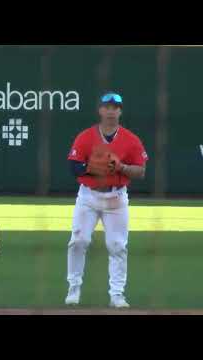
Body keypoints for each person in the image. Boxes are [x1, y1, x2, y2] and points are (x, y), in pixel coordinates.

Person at [65, 92, 148, 308]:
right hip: (88, 197)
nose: (111, 110)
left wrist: (121, 167)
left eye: (115, 107)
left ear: (120, 111)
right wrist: (96, 169)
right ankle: (74, 288)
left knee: (117, 245)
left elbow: (140, 171)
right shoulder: (85, 136)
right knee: (78, 241)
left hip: (117, 198)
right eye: (107, 106)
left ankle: (117, 294)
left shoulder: (131, 140)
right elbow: (74, 167)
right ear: (100, 110)